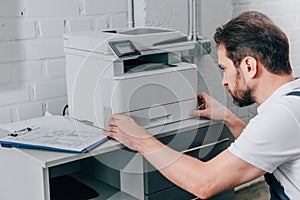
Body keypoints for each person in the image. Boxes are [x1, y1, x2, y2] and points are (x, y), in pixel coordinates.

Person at [104, 11, 300, 199]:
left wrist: (140, 140)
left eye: (224, 68)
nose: (224, 81)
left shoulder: (281, 116)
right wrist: (227, 117)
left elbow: (205, 183)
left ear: (249, 66)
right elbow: (265, 146)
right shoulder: (292, 100)